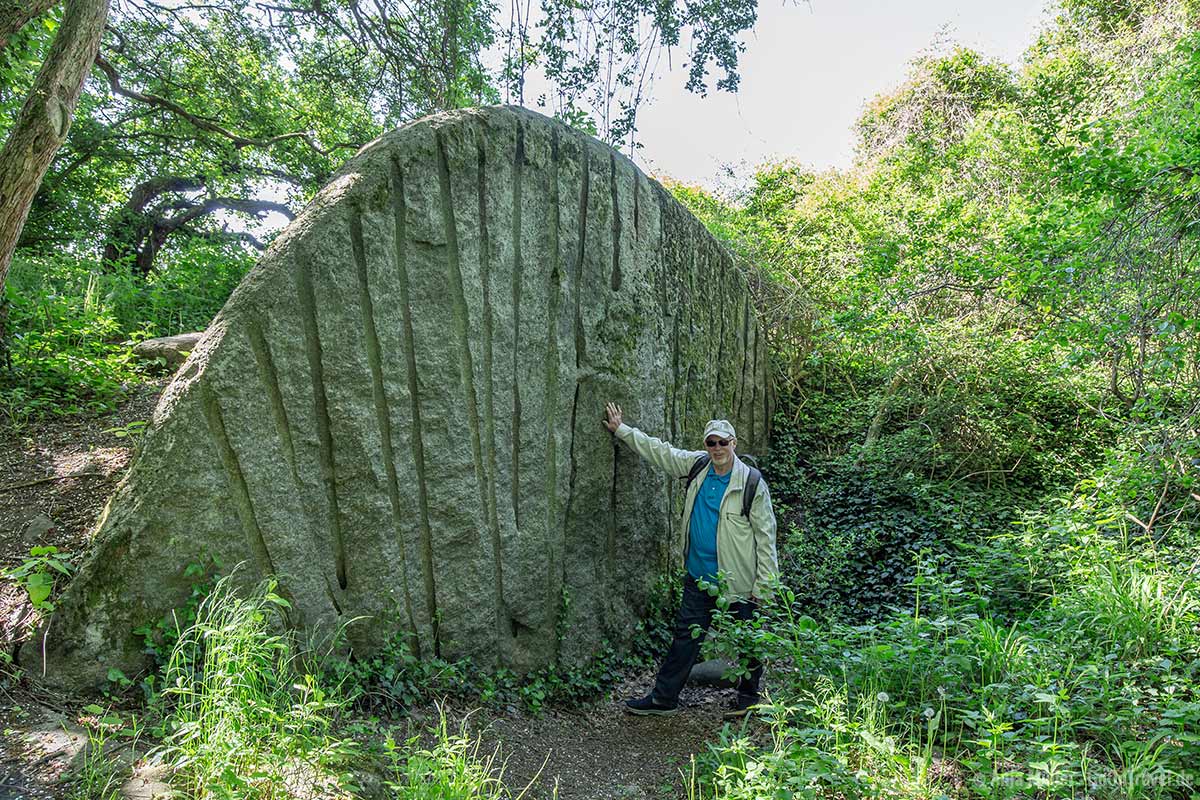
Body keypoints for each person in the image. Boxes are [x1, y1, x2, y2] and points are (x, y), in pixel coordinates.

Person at [602, 402, 778, 719]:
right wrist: (622, 430)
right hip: (699, 576)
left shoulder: (750, 483)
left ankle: (749, 698)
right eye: (711, 442)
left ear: (733, 444)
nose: (717, 448)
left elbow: (766, 536)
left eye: (723, 442)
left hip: (737, 580)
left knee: (747, 640)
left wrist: (764, 585)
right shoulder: (697, 466)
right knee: (685, 638)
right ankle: (664, 698)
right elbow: (661, 452)